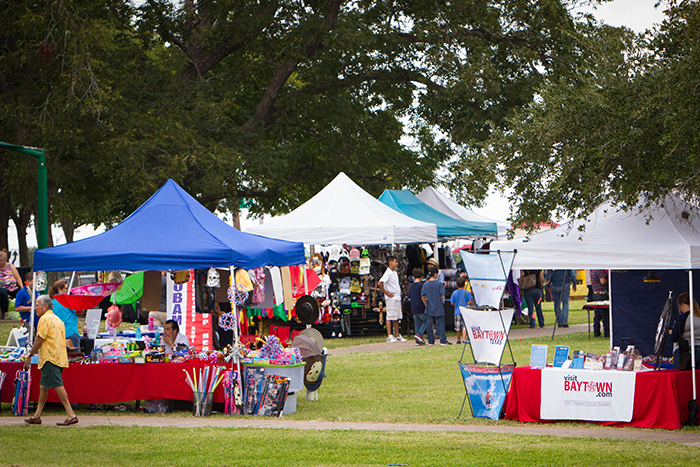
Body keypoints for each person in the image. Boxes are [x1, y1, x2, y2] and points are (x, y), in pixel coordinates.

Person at [23, 295, 78, 426]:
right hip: (59, 357)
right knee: (43, 386)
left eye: (37, 305)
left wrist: (30, 355)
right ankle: (37, 416)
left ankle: (71, 415)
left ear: (45, 306)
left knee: (58, 385)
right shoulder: (57, 319)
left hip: (50, 358)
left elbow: (39, 339)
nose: (35, 308)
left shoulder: (44, 319)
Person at [379, 255, 406, 343]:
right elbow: (380, 283)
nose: (396, 263)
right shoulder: (388, 272)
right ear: (390, 262)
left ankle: (397, 335)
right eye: (395, 262)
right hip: (391, 298)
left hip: (397, 297)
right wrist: (386, 292)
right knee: (390, 316)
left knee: (397, 317)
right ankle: (389, 335)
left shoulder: (394, 272)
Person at [421, 266, 451, 346]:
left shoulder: (426, 284)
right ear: (435, 274)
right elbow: (442, 295)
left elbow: (422, 296)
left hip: (429, 306)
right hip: (439, 306)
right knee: (441, 323)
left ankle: (431, 341)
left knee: (429, 324)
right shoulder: (439, 284)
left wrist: (426, 304)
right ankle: (443, 340)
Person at [671, 292, 700, 369]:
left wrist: (672, 332)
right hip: (699, 350)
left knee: (681, 378)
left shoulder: (682, 318)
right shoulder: (698, 316)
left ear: (682, 304)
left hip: (685, 353)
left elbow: (675, 338)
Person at [51, 279, 81, 349]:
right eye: (66, 288)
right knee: (75, 358)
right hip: (71, 333)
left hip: (58, 334)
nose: (68, 290)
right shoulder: (68, 301)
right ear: (59, 289)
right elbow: (79, 309)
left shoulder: (53, 303)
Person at [450, 276, 473, 344]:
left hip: (457, 311)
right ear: (464, 284)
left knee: (457, 327)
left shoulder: (454, 293)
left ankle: (458, 340)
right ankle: (464, 339)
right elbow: (470, 301)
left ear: (456, 284)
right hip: (465, 311)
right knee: (464, 326)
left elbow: (452, 302)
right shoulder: (467, 292)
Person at [0, 249, 22, 319]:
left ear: (5, 260)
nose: (0, 262)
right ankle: (5, 312)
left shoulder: (11, 266)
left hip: (12, 287)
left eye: (2, 260)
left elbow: (17, 277)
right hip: (2, 288)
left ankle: (21, 310)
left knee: (20, 293)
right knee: (3, 294)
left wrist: (21, 287)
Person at [409, 268, 427, 346]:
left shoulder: (411, 286)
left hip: (413, 307)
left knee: (417, 323)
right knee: (426, 320)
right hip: (420, 306)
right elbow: (423, 295)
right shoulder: (421, 285)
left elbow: (409, 296)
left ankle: (417, 340)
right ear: (421, 276)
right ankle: (419, 334)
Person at [589, 269, 610, 338]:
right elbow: (603, 281)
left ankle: (596, 332)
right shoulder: (600, 270)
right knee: (605, 315)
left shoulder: (592, 270)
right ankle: (607, 333)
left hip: (595, 294)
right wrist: (609, 280)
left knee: (597, 315)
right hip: (602, 294)